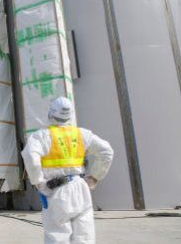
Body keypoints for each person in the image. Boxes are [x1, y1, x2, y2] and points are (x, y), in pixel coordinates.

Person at [21, 97, 114, 244]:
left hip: (56, 190)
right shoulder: (82, 134)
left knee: (58, 235)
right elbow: (106, 151)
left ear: (51, 113)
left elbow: (30, 157)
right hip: (80, 187)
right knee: (84, 236)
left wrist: (39, 182)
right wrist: (94, 177)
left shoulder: (42, 136)